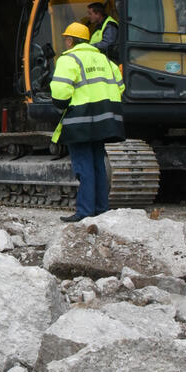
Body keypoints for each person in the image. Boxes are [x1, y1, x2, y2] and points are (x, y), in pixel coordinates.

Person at [50, 21, 125, 222]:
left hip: (79, 120)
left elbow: (60, 91)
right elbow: (120, 86)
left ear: (70, 40)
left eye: (66, 39)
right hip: (104, 119)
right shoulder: (105, 60)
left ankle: (84, 212)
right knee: (98, 165)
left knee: (83, 167)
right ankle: (101, 209)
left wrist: (62, 106)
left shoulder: (69, 59)